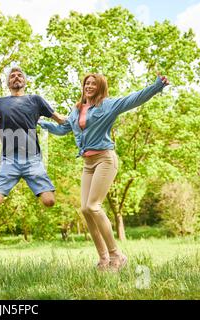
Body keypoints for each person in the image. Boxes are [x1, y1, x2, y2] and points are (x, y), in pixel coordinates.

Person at [39, 73, 169, 271]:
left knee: (93, 206)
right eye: (86, 83)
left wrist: (157, 86)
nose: (89, 86)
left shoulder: (107, 105)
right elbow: (63, 129)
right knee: (85, 209)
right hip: (87, 163)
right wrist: (38, 123)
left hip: (105, 160)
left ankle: (117, 255)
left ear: (100, 87)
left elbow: (134, 99)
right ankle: (103, 258)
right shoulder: (76, 110)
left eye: (93, 84)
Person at [0, 67, 66, 209]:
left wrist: (80, 118)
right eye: (12, 76)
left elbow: (59, 119)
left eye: (19, 75)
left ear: (25, 81)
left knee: (49, 201)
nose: (16, 77)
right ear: (8, 83)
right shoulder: (0, 102)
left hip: (32, 158)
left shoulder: (35, 100)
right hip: (8, 158)